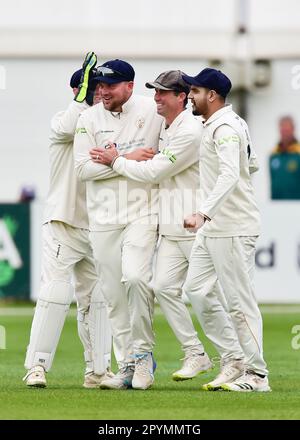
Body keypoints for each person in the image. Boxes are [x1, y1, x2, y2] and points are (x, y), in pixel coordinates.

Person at [95, 70, 244, 382]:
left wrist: (116, 161)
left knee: (210, 296)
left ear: (182, 97)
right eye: (155, 92)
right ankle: (195, 353)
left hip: (196, 227)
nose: (156, 98)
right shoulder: (166, 127)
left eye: (163, 93)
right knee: (162, 287)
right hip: (172, 229)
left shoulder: (190, 130)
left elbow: (155, 172)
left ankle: (235, 360)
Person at [23, 53, 113, 389]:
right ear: (78, 89)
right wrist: (82, 97)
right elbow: (69, 125)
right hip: (63, 221)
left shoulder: (107, 124)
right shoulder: (63, 120)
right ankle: (37, 366)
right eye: (93, 87)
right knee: (56, 294)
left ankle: (98, 370)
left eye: (102, 86)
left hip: (99, 225)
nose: (99, 93)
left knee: (97, 298)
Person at [74, 59, 163, 390]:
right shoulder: (88, 117)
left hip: (142, 212)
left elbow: (157, 155)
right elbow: (83, 169)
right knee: (113, 294)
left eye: (110, 85)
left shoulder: (151, 111)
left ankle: (143, 357)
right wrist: (126, 159)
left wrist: (111, 157)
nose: (103, 90)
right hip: (102, 218)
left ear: (130, 86)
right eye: (99, 84)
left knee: (136, 277)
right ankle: (127, 363)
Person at [182, 68, 271, 392]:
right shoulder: (223, 125)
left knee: (239, 301)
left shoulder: (226, 128)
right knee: (196, 289)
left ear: (213, 95)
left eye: (195, 91)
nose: (190, 96)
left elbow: (232, 174)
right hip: (216, 228)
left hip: (233, 227)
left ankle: (257, 376)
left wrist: (204, 212)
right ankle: (234, 359)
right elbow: (254, 164)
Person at [269, 116, 300, 199]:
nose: (285, 133)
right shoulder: (273, 155)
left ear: (293, 130)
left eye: (287, 130)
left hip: (296, 204)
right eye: (283, 130)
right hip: (277, 204)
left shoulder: (298, 153)